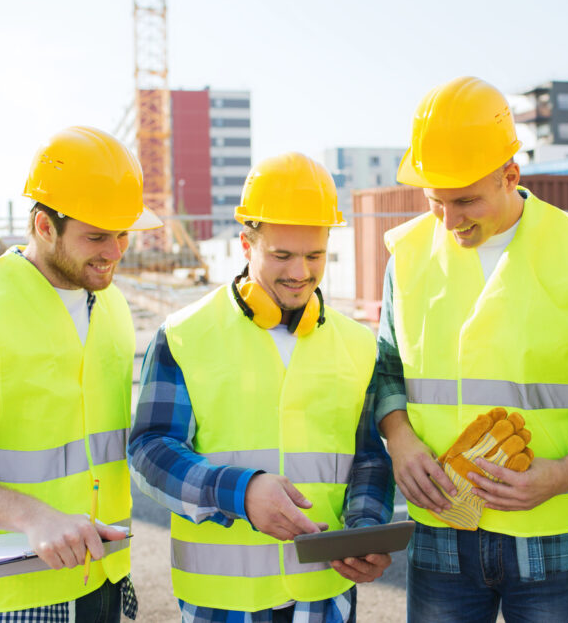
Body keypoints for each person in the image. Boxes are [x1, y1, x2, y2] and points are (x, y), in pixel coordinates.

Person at [375, 75, 568, 622]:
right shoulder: (406, 254)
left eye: (467, 201)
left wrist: (567, 471)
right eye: (436, 202)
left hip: (552, 533)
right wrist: (400, 438)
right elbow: (385, 370)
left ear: (510, 175)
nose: (450, 222)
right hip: (441, 530)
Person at [0, 125, 162, 622]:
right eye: (97, 236)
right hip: (12, 602)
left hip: (99, 582)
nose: (115, 252)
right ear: (45, 226)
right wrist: (31, 515)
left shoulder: (113, 306)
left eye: (123, 233)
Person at [128, 152, 395, 623]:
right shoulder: (185, 334)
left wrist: (367, 529)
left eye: (315, 256)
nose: (300, 273)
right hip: (222, 602)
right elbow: (150, 450)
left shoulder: (358, 345)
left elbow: (369, 457)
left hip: (324, 594)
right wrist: (240, 493)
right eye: (282, 255)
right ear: (246, 245)